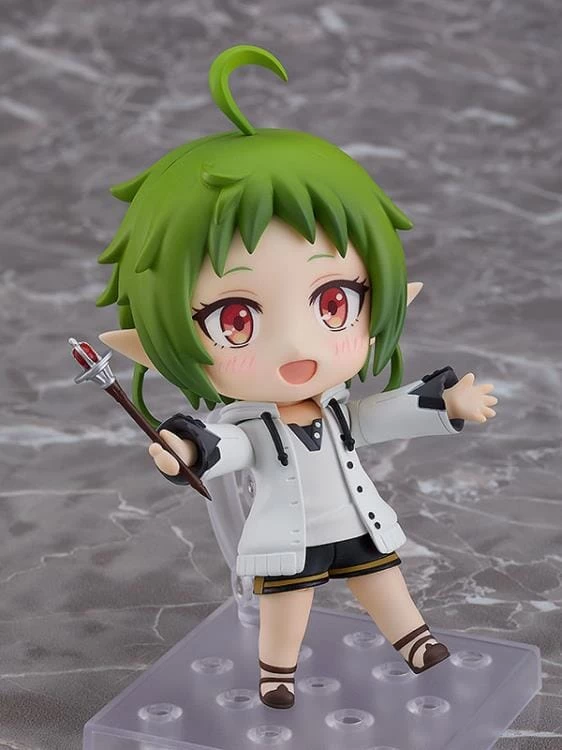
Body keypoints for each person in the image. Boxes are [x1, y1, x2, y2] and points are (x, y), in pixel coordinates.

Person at [96, 45, 498, 709]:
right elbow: (227, 446)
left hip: (354, 517)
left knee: (382, 578)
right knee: (287, 601)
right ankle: (276, 672)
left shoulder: (337, 406)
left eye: (334, 302)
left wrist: (444, 402)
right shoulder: (250, 419)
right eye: (235, 319)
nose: (298, 345)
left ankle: (414, 640)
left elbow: (374, 416)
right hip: (287, 536)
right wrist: (186, 448)